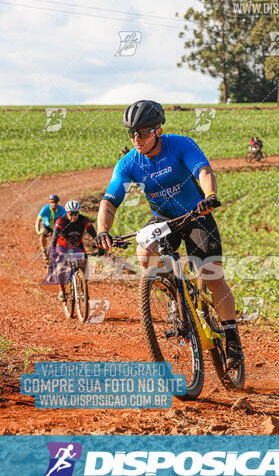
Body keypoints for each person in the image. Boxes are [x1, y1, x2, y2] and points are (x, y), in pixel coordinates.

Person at [95, 99, 244, 369]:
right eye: (132, 133)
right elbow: (109, 200)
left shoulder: (180, 145)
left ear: (158, 130)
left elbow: (203, 170)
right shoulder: (129, 163)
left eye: (142, 132)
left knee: (212, 277)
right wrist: (102, 231)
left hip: (196, 213)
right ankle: (175, 292)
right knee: (144, 252)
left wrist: (210, 196)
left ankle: (232, 336)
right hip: (165, 219)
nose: (136, 138)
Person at [48, 200, 97, 302]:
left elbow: (93, 233)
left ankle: (84, 289)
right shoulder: (61, 221)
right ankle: (62, 291)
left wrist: (99, 245)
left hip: (77, 245)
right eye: (71, 214)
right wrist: (53, 252)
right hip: (62, 247)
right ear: (67, 213)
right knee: (61, 267)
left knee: (84, 262)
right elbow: (53, 238)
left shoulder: (84, 220)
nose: (74, 217)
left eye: (76, 214)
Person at [35, 194, 66, 261]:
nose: (54, 204)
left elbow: (66, 220)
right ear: (49, 202)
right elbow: (38, 220)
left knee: (55, 241)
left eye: (55, 202)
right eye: (52, 202)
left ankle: (53, 252)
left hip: (56, 227)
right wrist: (38, 230)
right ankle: (43, 250)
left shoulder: (61, 209)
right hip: (46, 225)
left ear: (58, 202)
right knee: (43, 234)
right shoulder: (45, 208)